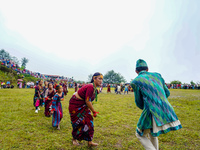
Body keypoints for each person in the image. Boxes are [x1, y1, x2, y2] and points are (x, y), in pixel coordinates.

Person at [131, 59, 182, 150]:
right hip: (167, 108)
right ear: (147, 69)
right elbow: (167, 93)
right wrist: (159, 102)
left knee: (139, 134)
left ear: (136, 71)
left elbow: (138, 102)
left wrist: (148, 106)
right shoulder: (157, 76)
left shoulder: (136, 81)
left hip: (151, 110)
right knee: (152, 133)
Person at [68, 72, 103, 147]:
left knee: (89, 122)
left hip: (83, 106)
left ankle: (90, 142)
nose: (101, 81)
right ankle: (74, 139)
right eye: (99, 78)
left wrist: (99, 90)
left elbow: (92, 95)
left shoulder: (94, 89)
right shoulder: (90, 87)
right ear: (94, 78)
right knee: (78, 122)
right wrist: (94, 111)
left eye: (102, 79)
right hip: (75, 105)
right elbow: (88, 101)